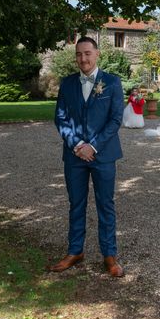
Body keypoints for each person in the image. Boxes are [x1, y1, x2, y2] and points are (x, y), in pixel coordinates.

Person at [50, 37, 125, 277]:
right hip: (74, 156)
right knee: (76, 204)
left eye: (88, 53)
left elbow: (115, 119)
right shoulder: (67, 83)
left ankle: (110, 255)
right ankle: (75, 251)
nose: (83, 58)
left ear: (97, 54)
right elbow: (60, 118)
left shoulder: (112, 82)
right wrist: (77, 144)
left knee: (106, 204)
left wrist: (92, 146)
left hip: (103, 155)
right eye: (79, 54)